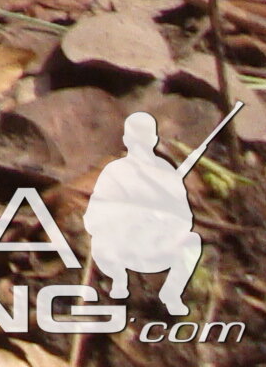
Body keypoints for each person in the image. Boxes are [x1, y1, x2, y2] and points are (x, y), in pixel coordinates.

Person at [86, 110, 205, 312]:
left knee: (192, 241)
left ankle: (172, 293)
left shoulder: (166, 172)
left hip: (156, 243)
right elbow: (94, 215)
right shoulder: (114, 170)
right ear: (126, 139)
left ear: (153, 139)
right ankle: (118, 283)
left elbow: (184, 217)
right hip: (122, 244)